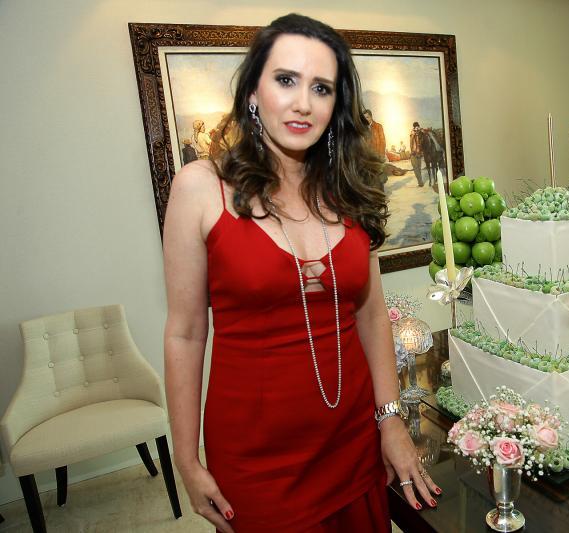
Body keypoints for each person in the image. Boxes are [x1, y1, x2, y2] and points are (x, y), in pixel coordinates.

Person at [162, 14, 440, 533]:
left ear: (336, 104)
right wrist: (186, 459)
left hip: (353, 440)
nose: (303, 103)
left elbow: (371, 316)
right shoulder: (200, 188)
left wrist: (391, 421)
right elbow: (185, 332)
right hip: (256, 458)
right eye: (286, 79)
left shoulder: (350, 191)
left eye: (321, 88)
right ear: (253, 90)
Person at [364, 109, 388, 191]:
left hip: (377, 156)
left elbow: (382, 141)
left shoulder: (378, 126)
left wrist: (381, 155)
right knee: (371, 177)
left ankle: (381, 194)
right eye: (364, 118)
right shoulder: (363, 129)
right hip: (368, 157)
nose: (366, 119)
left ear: (371, 117)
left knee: (379, 177)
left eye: (367, 117)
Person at [409, 122, 424, 187]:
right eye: (415, 127)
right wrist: (413, 134)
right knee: (416, 169)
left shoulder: (420, 134)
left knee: (418, 169)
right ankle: (420, 182)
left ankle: (420, 182)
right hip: (414, 153)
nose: (417, 129)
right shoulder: (412, 133)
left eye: (417, 127)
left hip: (418, 154)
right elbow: (411, 143)